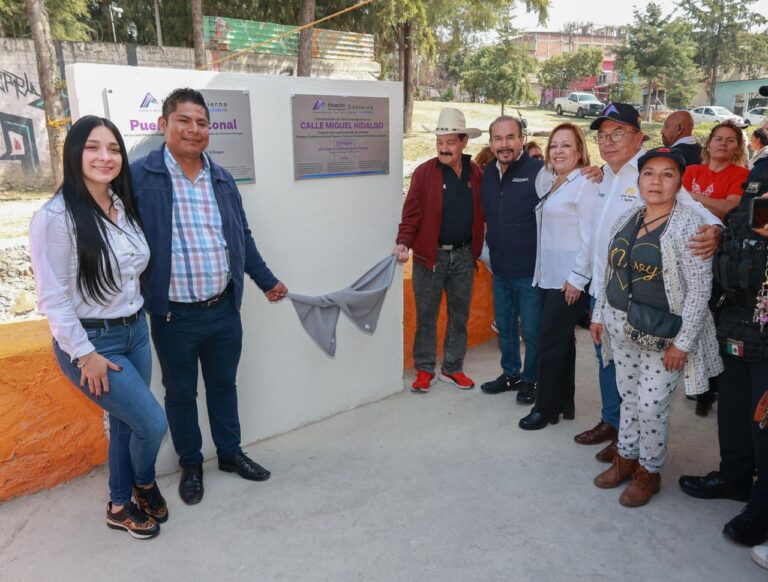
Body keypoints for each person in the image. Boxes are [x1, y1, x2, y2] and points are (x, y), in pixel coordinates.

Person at [130, 88, 288, 506]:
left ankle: (230, 454)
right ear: (163, 125)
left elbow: (242, 239)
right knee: (181, 394)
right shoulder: (139, 178)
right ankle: (191, 465)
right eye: (183, 120)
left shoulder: (222, 179)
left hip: (222, 310)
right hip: (173, 317)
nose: (193, 130)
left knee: (223, 385)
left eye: (201, 123)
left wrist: (266, 280)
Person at [29, 116, 167, 539]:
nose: (105, 157)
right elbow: (53, 297)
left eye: (113, 148)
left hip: (135, 332)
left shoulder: (121, 205)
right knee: (151, 424)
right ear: (74, 152)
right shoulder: (55, 217)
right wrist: (85, 354)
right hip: (93, 342)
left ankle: (122, 500)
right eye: (92, 147)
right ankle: (138, 486)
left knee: (126, 424)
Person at [575, 102, 721, 463]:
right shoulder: (604, 177)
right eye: (603, 136)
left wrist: (715, 232)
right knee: (613, 371)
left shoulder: (654, 175)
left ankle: (642, 459)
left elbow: (700, 218)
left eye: (618, 134)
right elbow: (600, 242)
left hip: (656, 314)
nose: (608, 142)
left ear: (638, 137)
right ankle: (619, 433)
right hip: (609, 298)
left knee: (648, 395)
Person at [678, 143, 768, 546]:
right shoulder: (761, 172)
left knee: (764, 423)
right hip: (735, 318)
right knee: (732, 407)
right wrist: (720, 231)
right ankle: (734, 479)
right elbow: (745, 222)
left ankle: (763, 509)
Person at [394, 107, 484, 393]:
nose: (444, 148)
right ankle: (424, 369)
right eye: (440, 142)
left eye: (450, 142)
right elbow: (411, 214)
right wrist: (404, 241)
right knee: (426, 315)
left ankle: (453, 368)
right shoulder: (424, 173)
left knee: (459, 314)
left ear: (463, 142)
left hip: (464, 256)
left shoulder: (477, 173)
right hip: (429, 257)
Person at [518, 123, 598, 430]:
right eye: (554, 146)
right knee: (563, 341)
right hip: (548, 275)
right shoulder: (552, 180)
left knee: (549, 341)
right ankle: (565, 402)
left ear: (579, 150)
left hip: (569, 279)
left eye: (567, 146)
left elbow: (590, 237)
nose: (559, 151)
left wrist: (578, 278)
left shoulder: (585, 184)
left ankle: (545, 408)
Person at [479, 116, 544, 404]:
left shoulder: (539, 171)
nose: (504, 144)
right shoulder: (488, 174)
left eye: (510, 138)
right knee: (505, 326)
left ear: (521, 140)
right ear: (491, 142)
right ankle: (510, 374)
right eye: (498, 139)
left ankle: (531, 380)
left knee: (531, 331)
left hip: (529, 271)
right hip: (500, 268)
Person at [683, 120, 750, 219]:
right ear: (708, 146)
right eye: (718, 139)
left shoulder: (743, 174)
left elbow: (731, 209)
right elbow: (675, 202)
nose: (723, 143)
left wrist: (691, 196)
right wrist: (716, 207)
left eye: (730, 140)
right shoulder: (690, 171)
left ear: (737, 149)